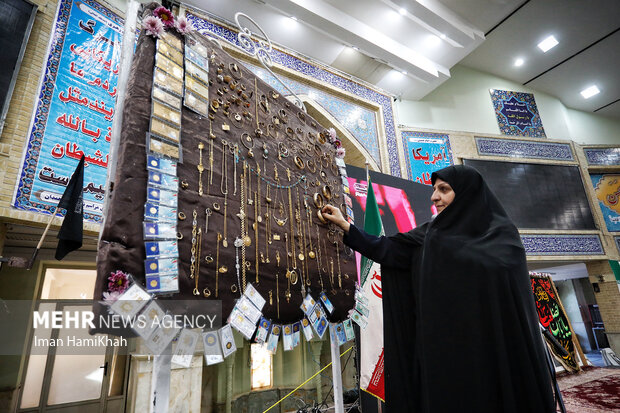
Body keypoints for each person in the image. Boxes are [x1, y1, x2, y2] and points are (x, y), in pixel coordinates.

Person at [321, 165, 555, 413]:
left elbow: (506, 296)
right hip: (444, 356)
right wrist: (347, 227)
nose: (434, 197)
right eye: (434, 190)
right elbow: (388, 249)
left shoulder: (503, 236)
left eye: (444, 189)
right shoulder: (431, 234)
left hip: (492, 352)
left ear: (467, 193)